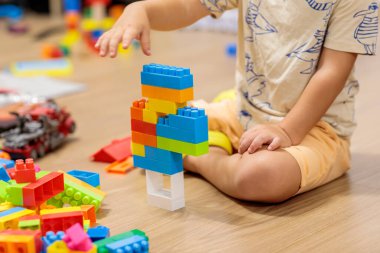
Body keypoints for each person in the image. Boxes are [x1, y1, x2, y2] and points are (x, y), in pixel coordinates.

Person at [95, 0, 379, 203]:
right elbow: (187, 6)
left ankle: (202, 157)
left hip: (314, 130)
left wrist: (287, 131)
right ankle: (220, 134)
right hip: (243, 110)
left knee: (259, 176)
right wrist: (141, 10)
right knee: (156, 121)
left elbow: (333, 71)